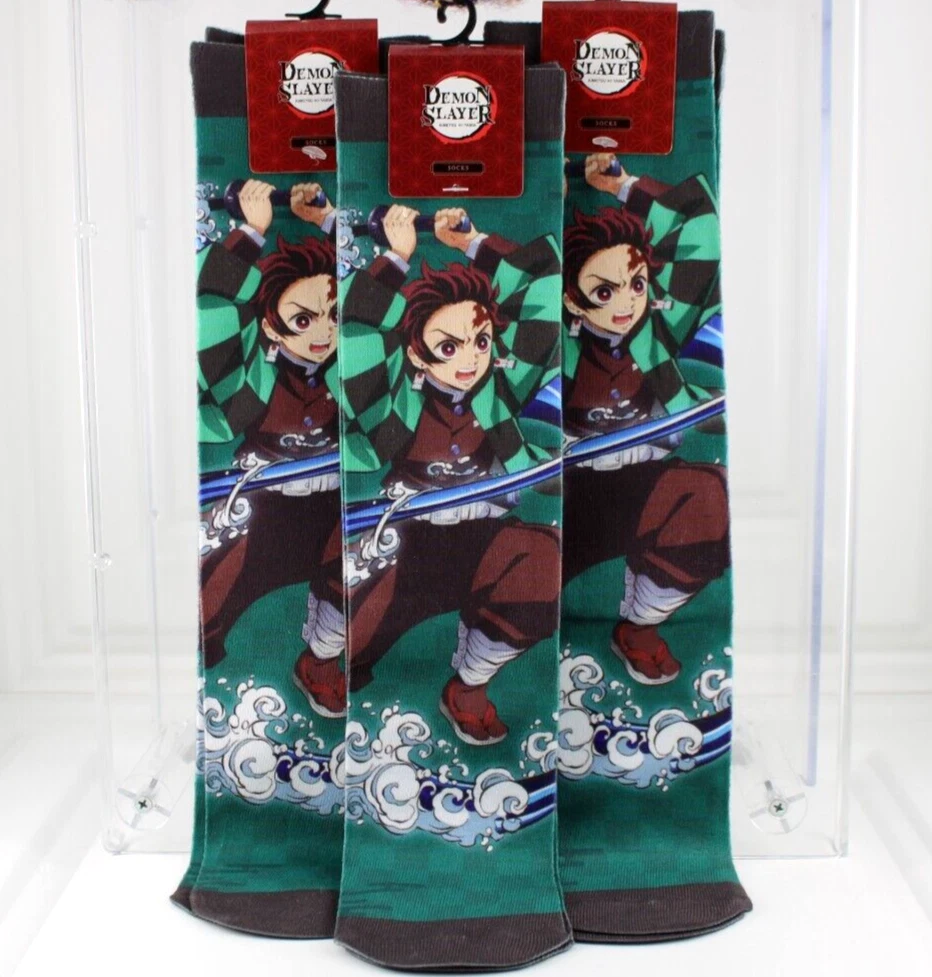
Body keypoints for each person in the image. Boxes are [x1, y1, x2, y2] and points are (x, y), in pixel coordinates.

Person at [337, 205, 563, 745]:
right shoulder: (394, 405)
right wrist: (395, 259)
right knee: (348, 639)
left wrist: (471, 242)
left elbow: (544, 281)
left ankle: (469, 686)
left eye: (480, 341)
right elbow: (357, 327)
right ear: (416, 354)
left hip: (485, 539)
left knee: (540, 560)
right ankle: (324, 664)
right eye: (448, 346)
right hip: (406, 547)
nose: (470, 359)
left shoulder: (501, 390)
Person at [562, 154, 730, 686]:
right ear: (571, 299)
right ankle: (472, 682)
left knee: (708, 496)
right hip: (568, 501)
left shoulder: (657, 331)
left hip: (647, 486)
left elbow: (698, 224)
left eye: (636, 284)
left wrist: (623, 185)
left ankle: (639, 627)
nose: (627, 303)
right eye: (604, 292)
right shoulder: (544, 346)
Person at [197, 179, 346, 718]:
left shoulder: (361, 368)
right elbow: (211, 308)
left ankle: (321, 664)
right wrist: (250, 232)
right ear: (271, 326)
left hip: (337, 507)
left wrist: (331, 221)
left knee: (359, 584)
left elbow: (389, 308)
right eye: (303, 320)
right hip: (262, 513)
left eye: (333, 316)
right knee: (208, 610)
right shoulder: (251, 382)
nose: (322, 333)